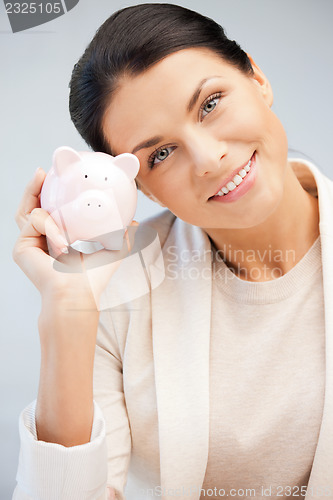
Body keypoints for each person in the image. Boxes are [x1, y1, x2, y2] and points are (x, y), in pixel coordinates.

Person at [12, 3, 333, 500]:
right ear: (146, 191)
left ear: (257, 78)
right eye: (160, 154)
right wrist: (68, 312)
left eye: (210, 103)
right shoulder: (116, 288)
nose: (209, 160)